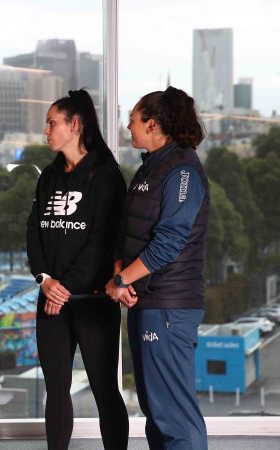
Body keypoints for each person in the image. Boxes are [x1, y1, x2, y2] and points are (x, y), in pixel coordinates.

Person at [106, 86, 209, 450]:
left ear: (152, 124)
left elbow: (169, 242)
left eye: (132, 121)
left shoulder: (182, 170)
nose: (127, 128)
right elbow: (128, 232)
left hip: (169, 305)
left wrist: (120, 280)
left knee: (174, 415)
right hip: (146, 302)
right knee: (156, 410)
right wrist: (121, 271)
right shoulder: (150, 167)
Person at [26, 89, 129, 450]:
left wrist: (64, 287)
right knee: (56, 390)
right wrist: (45, 281)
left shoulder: (106, 175)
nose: (46, 130)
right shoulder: (48, 177)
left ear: (74, 125)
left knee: (104, 388)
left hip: (93, 303)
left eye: (52, 123)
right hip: (51, 301)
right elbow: (33, 233)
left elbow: (102, 241)